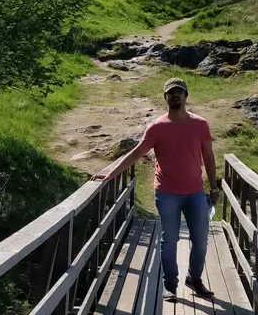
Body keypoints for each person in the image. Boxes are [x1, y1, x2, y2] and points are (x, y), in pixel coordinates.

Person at [92, 78, 219, 300]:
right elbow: (136, 153)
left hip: (195, 192)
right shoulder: (157, 127)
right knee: (169, 239)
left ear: (186, 96)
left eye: (179, 92)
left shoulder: (200, 124)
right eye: (171, 93)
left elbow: (208, 156)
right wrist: (112, 173)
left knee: (200, 239)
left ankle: (194, 278)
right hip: (167, 193)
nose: (175, 96)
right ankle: (170, 285)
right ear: (165, 98)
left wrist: (214, 186)